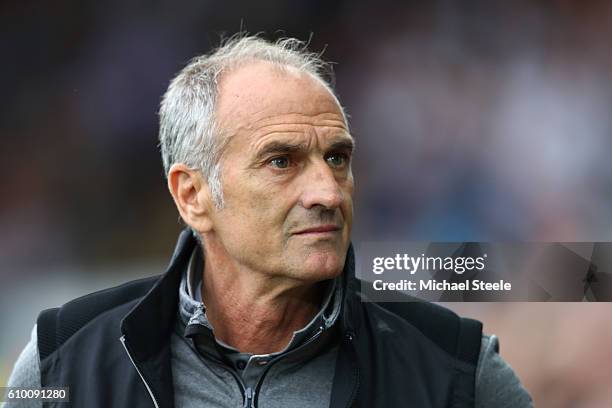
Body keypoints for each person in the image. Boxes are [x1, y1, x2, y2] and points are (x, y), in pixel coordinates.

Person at [3, 35, 532, 407]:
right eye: (281, 161)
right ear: (192, 195)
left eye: (338, 158)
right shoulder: (61, 360)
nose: (327, 191)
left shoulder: (456, 367)